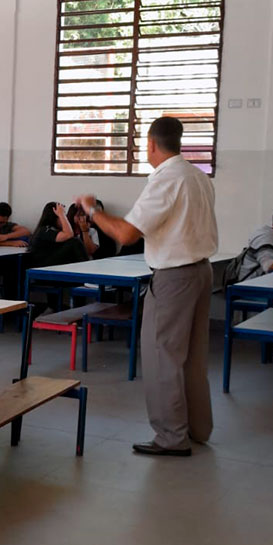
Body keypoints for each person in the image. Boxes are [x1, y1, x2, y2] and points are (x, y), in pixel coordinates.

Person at [76, 116, 218, 458]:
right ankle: (198, 429)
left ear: (151, 144)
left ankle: (171, 436)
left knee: (162, 355)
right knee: (192, 357)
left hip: (175, 277)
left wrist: (92, 210)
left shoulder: (166, 179)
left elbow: (126, 234)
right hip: (202, 272)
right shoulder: (199, 177)